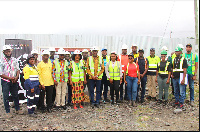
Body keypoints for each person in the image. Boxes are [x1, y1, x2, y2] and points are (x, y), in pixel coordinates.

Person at [0, 45, 23, 118]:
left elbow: (18, 69)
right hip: (5, 81)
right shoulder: (1, 61)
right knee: (6, 96)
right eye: (6, 51)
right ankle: (7, 111)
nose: (8, 53)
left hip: (14, 81)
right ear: (4, 52)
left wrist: (16, 77)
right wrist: (10, 78)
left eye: (9, 51)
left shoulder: (14, 60)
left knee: (15, 95)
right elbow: (1, 74)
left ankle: (17, 109)